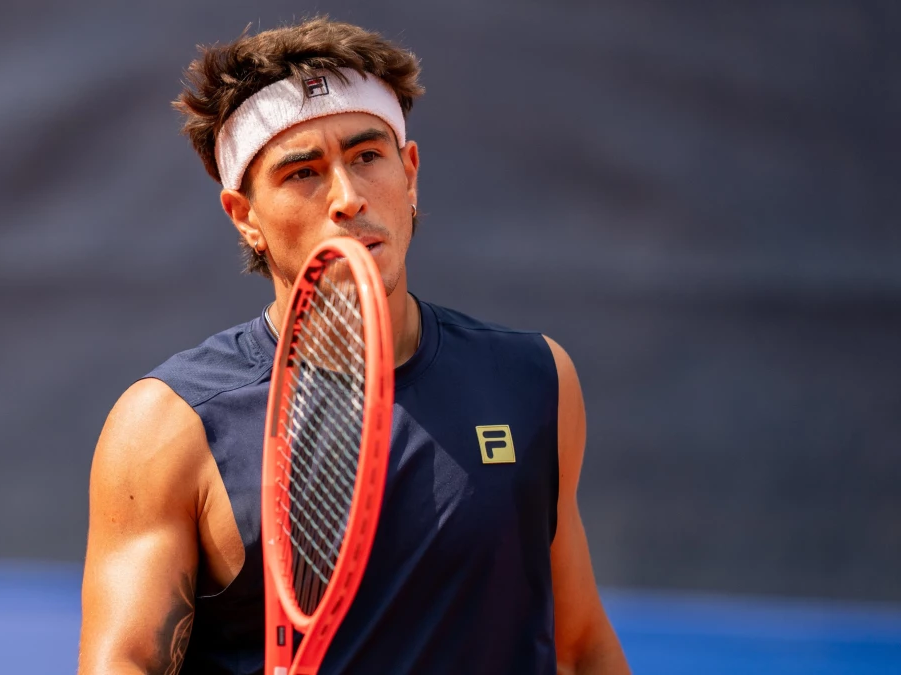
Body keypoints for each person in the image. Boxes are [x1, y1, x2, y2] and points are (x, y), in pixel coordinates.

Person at [79, 17, 630, 675]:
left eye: (368, 157)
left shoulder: (536, 378)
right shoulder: (168, 427)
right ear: (245, 216)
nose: (347, 197)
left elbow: (581, 646)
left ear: (410, 174)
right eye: (302, 172)